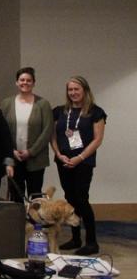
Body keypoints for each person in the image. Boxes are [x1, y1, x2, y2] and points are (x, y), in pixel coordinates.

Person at [50, 76, 106, 256]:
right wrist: (58, 154)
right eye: (70, 90)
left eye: (77, 89)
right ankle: (75, 238)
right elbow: (53, 135)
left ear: (85, 90)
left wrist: (80, 157)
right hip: (64, 162)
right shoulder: (59, 111)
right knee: (70, 198)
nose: (73, 93)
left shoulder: (95, 112)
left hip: (83, 162)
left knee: (82, 199)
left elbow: (97, 140)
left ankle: (92, 242)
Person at [0, 67, 53, 200]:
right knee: (16, 194)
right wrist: (11, 151)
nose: (25, 82)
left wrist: (31, 151)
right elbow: (1, 131)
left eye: (29, 80)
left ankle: (34, 221)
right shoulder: (6, 104)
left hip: (36, 159)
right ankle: (17, 221)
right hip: (14, 158)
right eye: (22, 80)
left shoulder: (43, 104)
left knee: (35, 195)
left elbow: (47, 131)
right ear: (16, 83)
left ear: (34, 83)